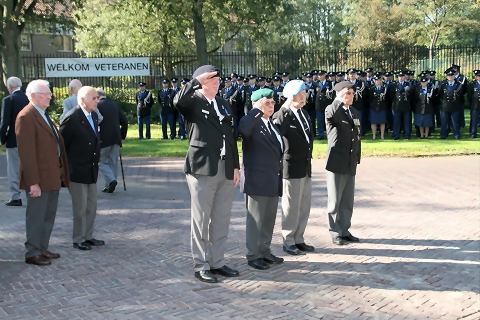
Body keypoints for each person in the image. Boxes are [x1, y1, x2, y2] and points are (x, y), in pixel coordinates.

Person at [173, 65, 240, 283]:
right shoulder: (193, 101)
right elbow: (177, 102)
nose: (217, 81)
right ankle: (201, 264)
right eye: (211, 78)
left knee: (221, 218)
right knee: (201, 219)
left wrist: (236, 166)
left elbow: (231, 137)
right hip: (202, 167)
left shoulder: (223, 103)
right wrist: (195, 82)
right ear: (202, 81)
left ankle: (217, 262)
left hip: (225, 166)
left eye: (217, 78)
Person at [16, 79, 69, 265]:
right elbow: (27, 153)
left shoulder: (43, 114)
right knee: (36, 216)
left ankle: (42, 247)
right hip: (39, 179)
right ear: (32, 96)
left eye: (49, 93)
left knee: (48, 215)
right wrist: (33, 182)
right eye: (45, 94)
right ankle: (32, 252)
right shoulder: (26, 117)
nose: (50, 97)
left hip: (51, 176)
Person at [239, 88, 284, 270]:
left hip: (272, 178)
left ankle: (264, 250)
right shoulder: (251, 122)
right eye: (267, 103)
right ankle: (253, 255)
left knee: (268, 219)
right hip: (257, 180)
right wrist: (255, 111)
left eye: (273, 103)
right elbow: (243, 130)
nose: (271, 106)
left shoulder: (270, 124)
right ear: (257, 104)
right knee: (256, 220)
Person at [272, 80, 314, 256]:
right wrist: (285, 107)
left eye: (304, 94)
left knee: (304, 205)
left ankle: (299, 238)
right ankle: (288, 240)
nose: (304, 97)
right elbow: (277, 128)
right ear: (291, 96)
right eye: (300, 94)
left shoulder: (304, 113)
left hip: (305, 165)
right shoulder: (285, 115)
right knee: (291, 206)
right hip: (291, 166)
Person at [60, 86, 105, 251]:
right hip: (77, 170)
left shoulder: (93, 116)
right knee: (80, 207)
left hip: (91, 169)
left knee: (91, 205)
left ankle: (88, 235)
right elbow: (62, 144)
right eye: (93, 98)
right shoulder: (72, 118)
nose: (97, 101)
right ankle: (78, 238)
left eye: (97, 98)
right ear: (82, 100)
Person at [325, 81, 361, 246]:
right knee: (335, 200)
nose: (351, 96)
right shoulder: (333, 109)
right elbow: (332, 114)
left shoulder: (353, 111)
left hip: (350, 160)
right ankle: (335, 231)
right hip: (337, 160)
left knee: (347, 199)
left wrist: (357, 156)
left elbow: (357, 135)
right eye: (348, 93)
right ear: (339, 94)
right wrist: (338, 99)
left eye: (353, 93)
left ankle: (344, 230)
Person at [1, 77, 29, 206]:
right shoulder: (28, 98)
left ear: (10, 87)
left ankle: (15, 195)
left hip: (14, 138)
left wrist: (3, 139)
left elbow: (4, 123)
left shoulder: (8, 100)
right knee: (29, 166)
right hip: (28, 139)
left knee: (13, 168)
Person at [96, 88, 128, 193]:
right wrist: (122, 135)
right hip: (116, 138)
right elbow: (124, 121)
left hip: (103, 139)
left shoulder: (97, 106)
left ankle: (111, 181)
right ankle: (109, 185)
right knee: (113, 162)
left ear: (97, 96)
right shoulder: (114, 105)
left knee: (100, 161)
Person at [389, 71, 413, 140]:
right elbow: (391, 96)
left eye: (402, 76)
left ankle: (407, 135)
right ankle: (396, 134)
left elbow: (411, 96)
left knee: (407, 121)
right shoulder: (394, 85)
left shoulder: (408, 84)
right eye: (399, 76)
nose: (401, 78)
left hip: (406, 105)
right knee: (396, 121)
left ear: (404, 77)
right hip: (397, 105)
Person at [439, 69, 463, 139]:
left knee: (455, 122)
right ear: (447, 76)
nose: (450, 77)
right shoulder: (443, 84)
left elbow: (461, 95)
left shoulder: (458, 85)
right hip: (445, 106)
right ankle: (443, 135)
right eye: (448, 75)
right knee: (444, 122)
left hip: (455, 106)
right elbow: (440, 93)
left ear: (454, 76)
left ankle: (456, 135)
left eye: (451, 75)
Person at [315, 70, 335, 140]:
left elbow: (332, 94)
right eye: (319, 75)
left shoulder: (330, 83)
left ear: (324, 75)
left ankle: (329, 134)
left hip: (327, 104)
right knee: (320, 121)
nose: (319, 76)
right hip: (319, 106)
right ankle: (321, 135)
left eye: (321, 75)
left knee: (328, 121)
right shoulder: (316, 84)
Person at [368, 73, 388, 140]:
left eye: (378, 80)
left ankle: (382, 135)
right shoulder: (371, 88)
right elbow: (370, 98)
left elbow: (387, 98)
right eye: (376, 80)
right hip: (374, 107)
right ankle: (374, 135)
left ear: (381, 80)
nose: (377, 81)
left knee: (382, 122)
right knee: (373, 122)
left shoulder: (384, 88)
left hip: (382, 107)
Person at [467, 70, 480, 138]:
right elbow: (469, 95)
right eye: (478, 76)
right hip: (475, 104)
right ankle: (473, 133)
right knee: (474, 119)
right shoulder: (472, 84)